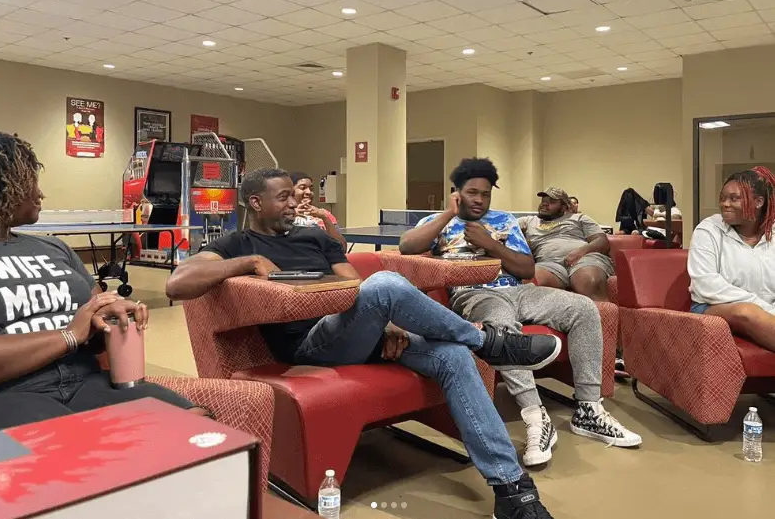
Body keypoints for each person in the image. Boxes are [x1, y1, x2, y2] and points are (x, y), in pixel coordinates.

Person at [166, 167, 564, 519]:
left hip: (358, 333)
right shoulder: (237, 244)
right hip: (310, 346)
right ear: (255, 202)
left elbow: (353, 288)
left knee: (451, 355)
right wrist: (246, 264)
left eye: (294, 195)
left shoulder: (314, 239)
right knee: (387, 284)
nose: (294, 203)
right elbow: (177, 283)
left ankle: (511, 489)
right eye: (283, 196)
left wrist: (385, 321)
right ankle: (486, 341)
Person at [400, 158, 641, 466]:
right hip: (475, 294)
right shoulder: (439, 221)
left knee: (583, 307)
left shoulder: (505, 221)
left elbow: (526, 267)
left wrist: (492, 245)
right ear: (457, 192)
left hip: (520, 291)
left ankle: (588, 409)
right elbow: (407, 246)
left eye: (485, 194)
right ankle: (535, 417)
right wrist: (450, 213)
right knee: (501, 326)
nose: (479, 199)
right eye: (472, 192)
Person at [0, 133, 208, 434]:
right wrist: (68, 335)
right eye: (28, 183)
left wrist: (110, 313)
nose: (40, 194)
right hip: (5, 394)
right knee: (80, 454)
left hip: (86, 383)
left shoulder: (55, 249)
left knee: (198, 428)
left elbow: (93, 313)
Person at [689, 167, 775, 350]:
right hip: (712, 307)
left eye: (734, 198)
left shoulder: (773, 234)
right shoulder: (708, 229)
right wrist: (763, 308)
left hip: (768, 312)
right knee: (746, 312)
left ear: (759, 202)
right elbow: (705, 284)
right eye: (722, 198)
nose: (725, 204)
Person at [519, 188, 613, 302]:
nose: (544, 204)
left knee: (590, 281)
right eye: (543, 200)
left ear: (564, 206)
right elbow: (503, 225)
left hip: (584, 259)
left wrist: (580, 252)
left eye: (552, 201)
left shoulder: (579, 218)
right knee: (528, 282)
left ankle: (604, 318)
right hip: (549, 264)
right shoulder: (529, 221)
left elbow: (602, 241)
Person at [290, 171, 346, 250]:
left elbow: (342, 248)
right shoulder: (283, 216)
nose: (309, 192)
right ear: (290, 191)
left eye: (311, 188)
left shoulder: (324, 214)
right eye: (303, 188)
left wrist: (324, 217)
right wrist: (292, 215)